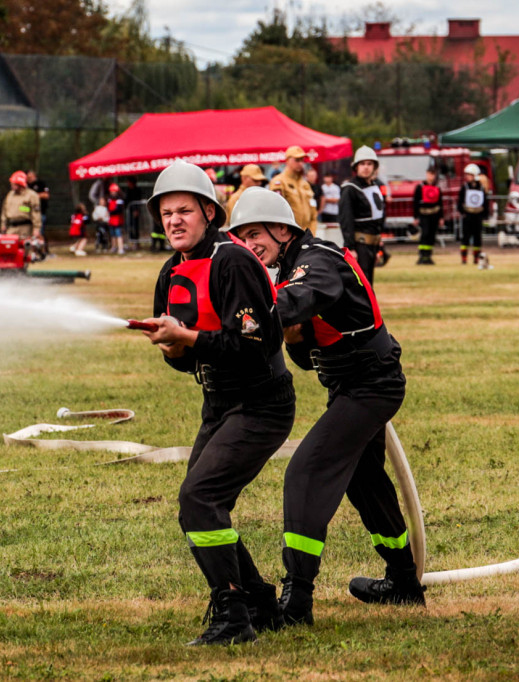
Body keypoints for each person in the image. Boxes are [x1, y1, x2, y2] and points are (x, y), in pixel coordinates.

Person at [226, 187, 423, 625]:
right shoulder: (288, 268)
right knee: (365, 483)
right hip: (351, 388)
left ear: (282, 230)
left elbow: (303, 297)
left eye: (254, 234)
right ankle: (405, 584)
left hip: (371, 385)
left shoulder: (316, 260)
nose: (248, 245)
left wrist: (256, 312)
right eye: (241, 238)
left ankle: (297, 603)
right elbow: (302, 350)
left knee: (307, 471)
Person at [138, 160, 295, 646]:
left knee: (199, 499)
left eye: (185, 210)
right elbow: (189, 358)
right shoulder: (172, 271)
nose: (174, 221)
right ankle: (259, 603)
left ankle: (233, 617)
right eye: (166, 214)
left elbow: (253, 347)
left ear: (210, 211)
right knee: (201, 506)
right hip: (219, 400)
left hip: (261, 402)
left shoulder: (233, 262)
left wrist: (189, 338)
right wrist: (175, 350)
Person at [339, 146, 386, 284]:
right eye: (362, 164)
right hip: (360, 246)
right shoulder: (350, 189)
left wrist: (379, 245)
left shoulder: (374, 186)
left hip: (373, 245)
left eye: (369, 164)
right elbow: (346, 220)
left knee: (369, 284)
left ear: (374, 167)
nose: (366, 167)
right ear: (356, 167)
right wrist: (351, 247)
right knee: (361, 285)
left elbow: (378, 217)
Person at [270, 146, 317, 233]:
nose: (301, 163)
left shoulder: (305, 184)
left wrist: (312, 234)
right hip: (289, 235)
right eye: (297, 160)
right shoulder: (279, 182)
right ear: (287, 161)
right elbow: (276, 213)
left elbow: (313, 214)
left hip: (307, 235)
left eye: (302, 160)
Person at [457, 164, 488, 266]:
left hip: (477, 216)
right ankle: (464, 258)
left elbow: (485, 202)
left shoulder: (481, 188)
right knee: (465, 238)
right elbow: (460, 202)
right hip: (468, 216)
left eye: (469, 175)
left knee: (477, 238)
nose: (467, 177)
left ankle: (476, 258)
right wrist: (463, 213)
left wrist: (484, 215)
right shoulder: (465, 187)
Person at [412, 167, 443, 265]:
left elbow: (440, 204)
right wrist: (416, 217)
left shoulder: (437, 188)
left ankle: (428, 256)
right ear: (426, 174)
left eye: (433, 174)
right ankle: (422, 256)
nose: (431, 177)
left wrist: (441, 217)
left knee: (431, 236)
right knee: (424, 234)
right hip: (424, 215)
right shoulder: (420, 187)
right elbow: (415, 203)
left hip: (434, 215)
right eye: (430, 174)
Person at [2, 171, 41, 239]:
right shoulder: (10, 195)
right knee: (9, 247)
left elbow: (35, 212)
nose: (11, 185)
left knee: (26, 248)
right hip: (11, 229)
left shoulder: (31, 195)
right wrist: (3, 224)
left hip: (25, 229)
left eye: (13, 183)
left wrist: (36, 229)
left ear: (19, 184)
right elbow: (4, 211)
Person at [107, 183, 126, 255]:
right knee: (112, 234)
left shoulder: (119, 200)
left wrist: (111, 212)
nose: (113, 193)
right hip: (111, 220)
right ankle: (114, 247)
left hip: (117, 220)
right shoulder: (109, 199)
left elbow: (119, 210)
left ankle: (121, 248)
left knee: (118, 234)